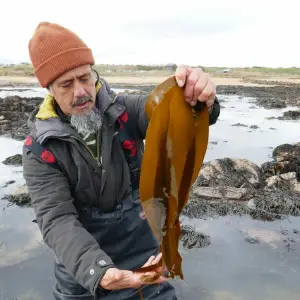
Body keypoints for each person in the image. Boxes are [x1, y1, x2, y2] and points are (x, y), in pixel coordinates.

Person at [22, 21, 221, 300]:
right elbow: (57, 220)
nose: (81, 91)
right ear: (50, 89)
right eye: (66, 84)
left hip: (143, 258)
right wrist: (97, 271)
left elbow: (170, 111)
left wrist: (198, 98)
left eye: (85, 77)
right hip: (82, 276)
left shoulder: (123, 110)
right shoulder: (39, 150)